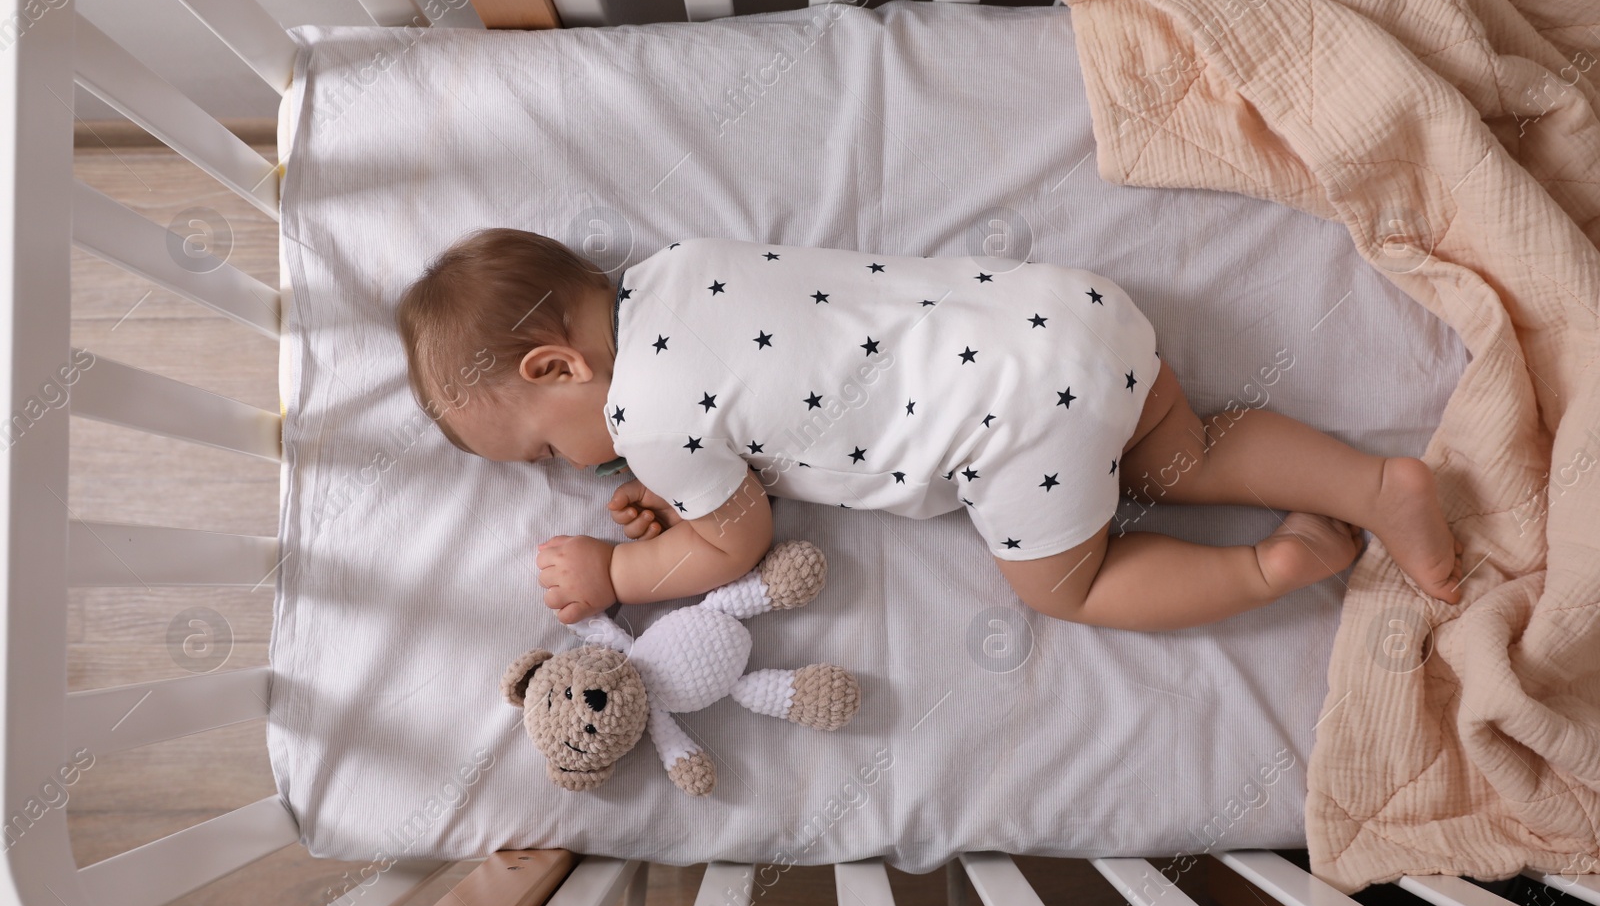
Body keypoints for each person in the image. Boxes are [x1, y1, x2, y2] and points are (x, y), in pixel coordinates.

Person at [396, 228, 1462, 629]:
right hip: (1063, 315)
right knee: (1186, 449)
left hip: (1009, 426)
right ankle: (1377, 488)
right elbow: (765, 393)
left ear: (559, 367)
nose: (567, 466)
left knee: (1069, 586)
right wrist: (671, 492)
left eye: (544, 446)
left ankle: (1273, 567)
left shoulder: (646, 414)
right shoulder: (680, 264)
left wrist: (619, 575)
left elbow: (736, 537)